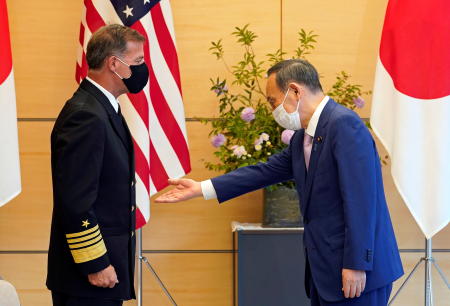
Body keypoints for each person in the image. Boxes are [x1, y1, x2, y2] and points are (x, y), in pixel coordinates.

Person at [156, 59, 404, 305]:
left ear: (295, 91)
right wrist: (202, 188)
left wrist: (356, 264)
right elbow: (263, 172)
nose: (272, 108)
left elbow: (362, 201)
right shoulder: (302, 138)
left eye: (272, 101)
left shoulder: (343, 124)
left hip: (357, 272)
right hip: (325, 272)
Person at [46, 24, 149, 306]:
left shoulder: (102, 108)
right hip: (88, 277)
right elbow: (76, 201)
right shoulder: (86, 116)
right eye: (138, 61)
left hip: (102, 272)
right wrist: (95, 262)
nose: (143, 68)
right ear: (114, 64)